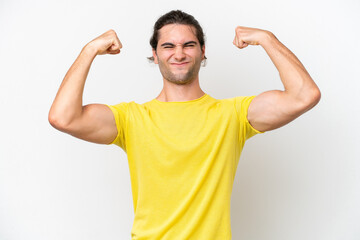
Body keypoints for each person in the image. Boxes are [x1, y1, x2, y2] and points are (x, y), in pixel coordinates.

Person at [48, 10, 321, 240]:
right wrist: (89, 50)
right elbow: (63, 117)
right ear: (154, 54)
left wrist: (267, 39)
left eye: (188, 45)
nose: (179, 53)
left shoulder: (232, 115)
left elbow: (304, 95)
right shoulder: (132, 118)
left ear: (203, 52)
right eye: (168, 46)